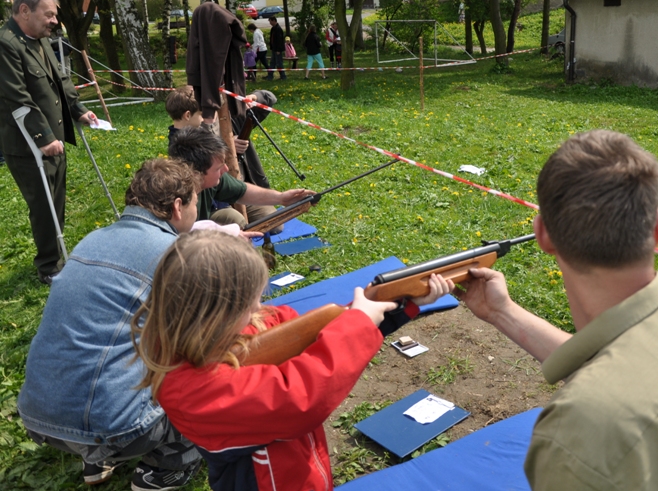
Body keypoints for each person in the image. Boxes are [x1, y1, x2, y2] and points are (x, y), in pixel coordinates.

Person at [458, 130, 658, 490]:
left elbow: (615, 387)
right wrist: (501, 311)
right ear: (657, 228)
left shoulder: (580, 431)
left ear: (543, 234)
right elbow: (625, 368)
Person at [132, 229, 454, 490]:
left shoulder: (227, 333)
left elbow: (314, 336)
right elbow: (299, 396)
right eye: (251, 302)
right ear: (217, 313)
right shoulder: (190, 388)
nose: (258, 309)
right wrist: (358, 323)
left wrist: (396, 303)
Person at [17, 159, 203, 489]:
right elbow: (203, 336)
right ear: (178, 206)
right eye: (195, 204)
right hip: (115, 427)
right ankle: (165, 467)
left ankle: (96, 457)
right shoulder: (174, 253)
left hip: (36, 414)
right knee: (203, 375)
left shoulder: (93, 238)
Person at [0, 0, 97, 285]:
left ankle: (57, 251)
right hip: (28, 143)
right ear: (24, 11)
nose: (54, 21)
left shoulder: (39, 38)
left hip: (53, 138)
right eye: (49, 14)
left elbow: (60, 78)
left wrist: (78, 109)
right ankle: (49, 267)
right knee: (43, 205)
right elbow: (17, 98)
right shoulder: (6, 45)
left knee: (56, 198)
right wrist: (43, 138)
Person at [168, 125, 312, 229]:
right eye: (218, 168)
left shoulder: (210, 178)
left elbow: (241, 191)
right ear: (195, 173)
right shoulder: (169, 200)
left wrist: (281, 198)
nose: (226, 169)